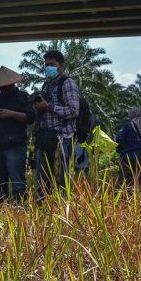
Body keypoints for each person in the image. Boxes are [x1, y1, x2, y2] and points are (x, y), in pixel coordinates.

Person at [0, 66, 35, 202]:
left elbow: (30, 118)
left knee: (18, 182)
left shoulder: (23, 97)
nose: (2, 88)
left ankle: (20, 210)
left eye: (4, 86)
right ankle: (1, 211)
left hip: (15, 145)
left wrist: (10, 114)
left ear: (12, 83)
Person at [31, 50, 81, 195]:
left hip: (63, 138)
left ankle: (63, 209)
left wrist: (49, 107)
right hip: (46, 136)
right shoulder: (47, 86)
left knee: (61, 179)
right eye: (46, 64)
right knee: (43, 179)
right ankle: (44, 210)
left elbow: (73, 111)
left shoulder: (67, 83)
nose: (48, 67)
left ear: (61, 66)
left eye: (52, 64)